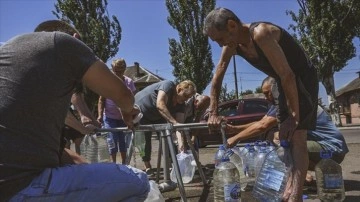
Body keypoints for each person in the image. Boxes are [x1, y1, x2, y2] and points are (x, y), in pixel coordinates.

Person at [0, 20, 149, 201]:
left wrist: (85, 166)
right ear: (76, 39)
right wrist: (126, 111)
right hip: (18, 189)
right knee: (138, 181)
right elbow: (124, 96)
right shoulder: (61, 42)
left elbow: (56, 151)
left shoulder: (11, 56)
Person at [203, 8, 319, 201]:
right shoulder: (232, 45)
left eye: (220, 38)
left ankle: (295, 196)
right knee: (284, 137)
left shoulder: (261, 33)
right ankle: (289, 188)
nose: (220, 44)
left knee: (297, 136)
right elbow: (217, 79)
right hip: (282, 82)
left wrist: (293, 117)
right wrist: (213, 112)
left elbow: (288, 75)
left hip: (301, 79)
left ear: (232, 25)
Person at [226, 76, 349, 184]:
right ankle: (313, 173)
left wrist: (236, 138)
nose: (266, 97)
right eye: (264, 94)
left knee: (279, 144)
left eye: (268, 93)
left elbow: (263, 126)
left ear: (277, 89)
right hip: (329, 148)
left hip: (331, 148)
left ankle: (301, 176)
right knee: (279, 138)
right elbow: (260, 122)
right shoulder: (280, 104)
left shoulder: (289, 102)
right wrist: (235, 129)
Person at [135, 80, 196, 172]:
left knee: (167, 139)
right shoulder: (168, 85)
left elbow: (178, 126)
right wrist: (173, 122)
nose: (186, 99)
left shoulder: (181, 105)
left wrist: (181, 144)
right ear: (179, 89)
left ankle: (172, 164)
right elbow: (160, 104)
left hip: (159, 115)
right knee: (144, 141)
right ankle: (147, 165)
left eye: (189, 97)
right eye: (185, 96)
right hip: (142, 110)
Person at [97, 58, 137, 164]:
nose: (118, 73)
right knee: (112, 139)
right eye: (116, 70)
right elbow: (101, 100)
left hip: (124, 116)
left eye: (120, 70)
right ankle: (113, 164)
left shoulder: (129, 82)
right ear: (112, 69)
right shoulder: (107, 82)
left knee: (123, 140)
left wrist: (133, 116)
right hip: (109, 116)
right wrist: (100, 115)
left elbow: (133, 100)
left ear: (124, 69)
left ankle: (125, 163)